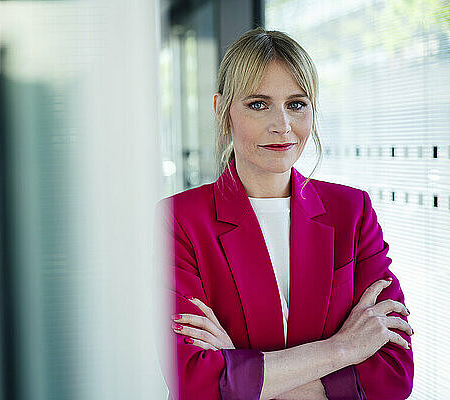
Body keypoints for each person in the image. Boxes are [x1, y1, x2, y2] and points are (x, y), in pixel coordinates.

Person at [155, 27, 414, 400]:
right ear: (222, 110)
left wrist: (240, 371)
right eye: (258, 104)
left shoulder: (352, 212)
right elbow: (195, 381)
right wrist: (343, 349)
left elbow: (393, 373)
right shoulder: (179, 220)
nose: (283, 125)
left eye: (296, 104)